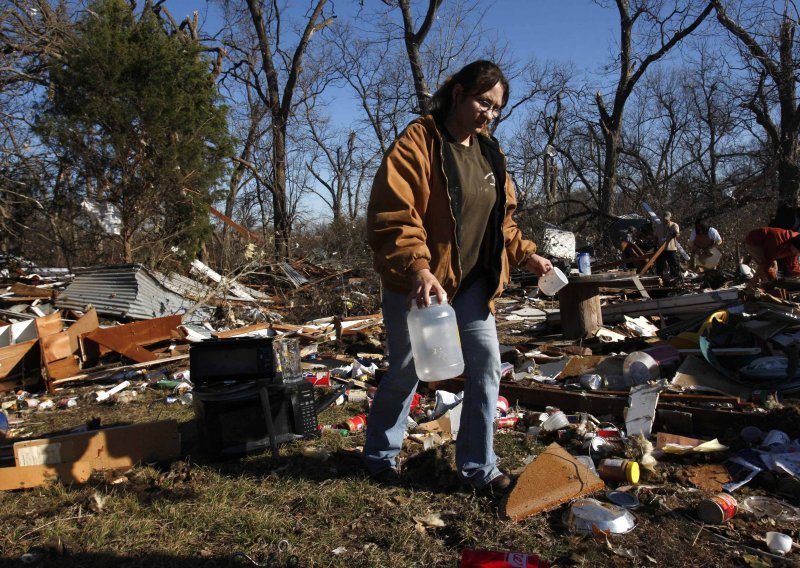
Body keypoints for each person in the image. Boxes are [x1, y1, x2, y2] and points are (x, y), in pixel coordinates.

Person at [364, 60, 552, 494]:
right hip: (420, 284)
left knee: (487, 366)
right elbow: (393, 211)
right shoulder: (421, 140)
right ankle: (380, 457)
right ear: (458, 93)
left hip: (471, 287)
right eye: (483, 102)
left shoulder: (490, 153)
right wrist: (419, 268)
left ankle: (478, 468)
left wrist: (526, 256)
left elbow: (500, 222)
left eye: (498, 108)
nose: (489, 114)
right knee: (407, 370)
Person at [654, 211, 682, 281]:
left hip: (671, 249)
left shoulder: (674, 225)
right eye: (664, 219)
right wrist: (655, 246)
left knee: (673, 265)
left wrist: (675, 234)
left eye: (667, 219)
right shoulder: (659, 227)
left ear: (670, 218)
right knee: (659, 265)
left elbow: (678, 234)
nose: (665, 220)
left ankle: (675, 278)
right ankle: (659, 278)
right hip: (661, 249)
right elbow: (655, 237)